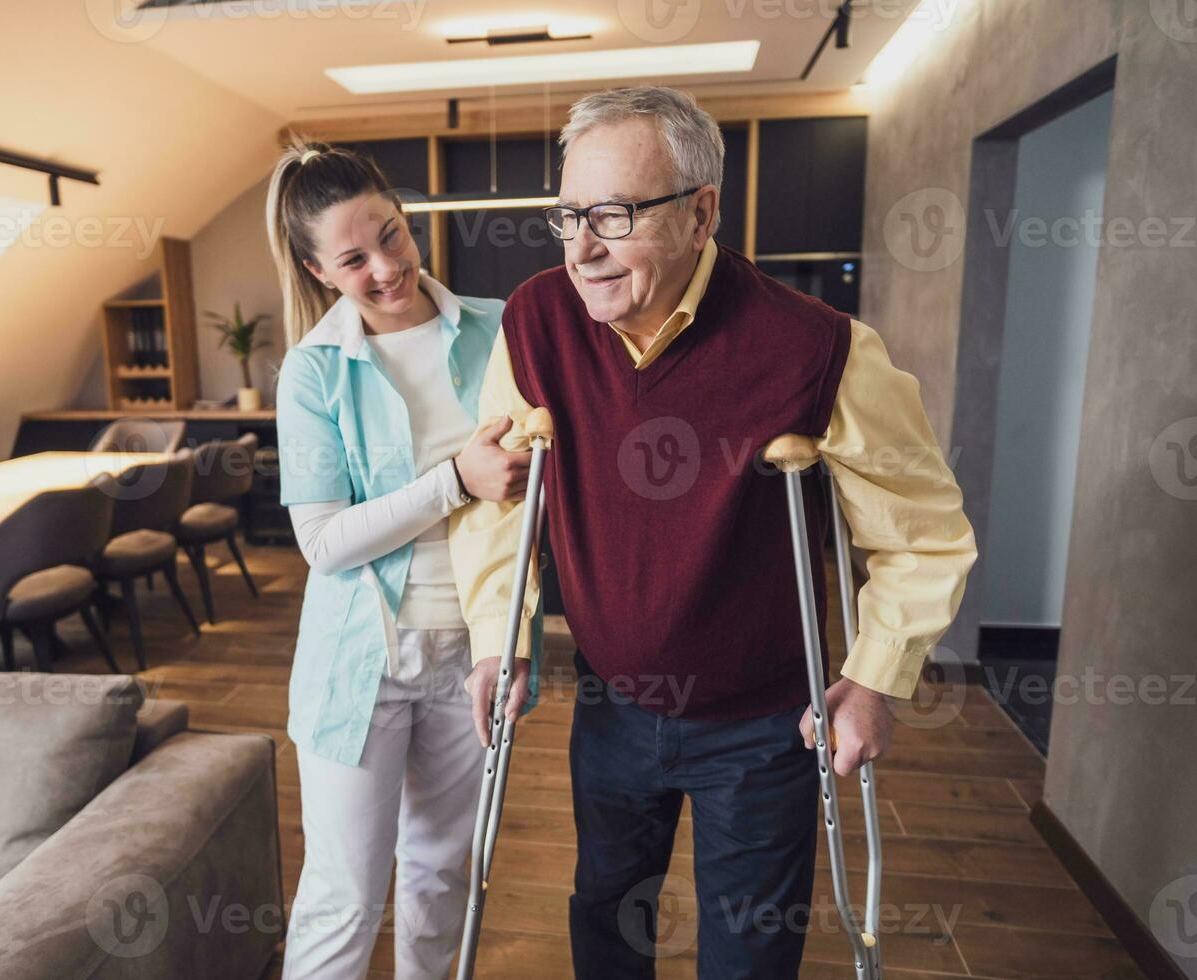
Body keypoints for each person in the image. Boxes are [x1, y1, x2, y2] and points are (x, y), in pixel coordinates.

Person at [451, 86, 978, 978]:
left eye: (613, 216)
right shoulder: (536, 322)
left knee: (751, 949)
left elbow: (922, 534)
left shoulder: (817, 347)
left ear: (702, 213)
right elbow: (509, 499)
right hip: (611, 703)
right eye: (569, 215)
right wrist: (494, 639)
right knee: (607, 922)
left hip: (765, 723)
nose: (582, 249)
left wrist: (876, 678)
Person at [268, 141, 538, 979]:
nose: (387, 266)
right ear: (319, 271)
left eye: (391, 234)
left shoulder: (500, 329)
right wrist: (454, 480)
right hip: (360, 666)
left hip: (472, 651)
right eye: (354, 258)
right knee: (344, 895)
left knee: (440, 877)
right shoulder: (312, 372)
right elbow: (323, 543)